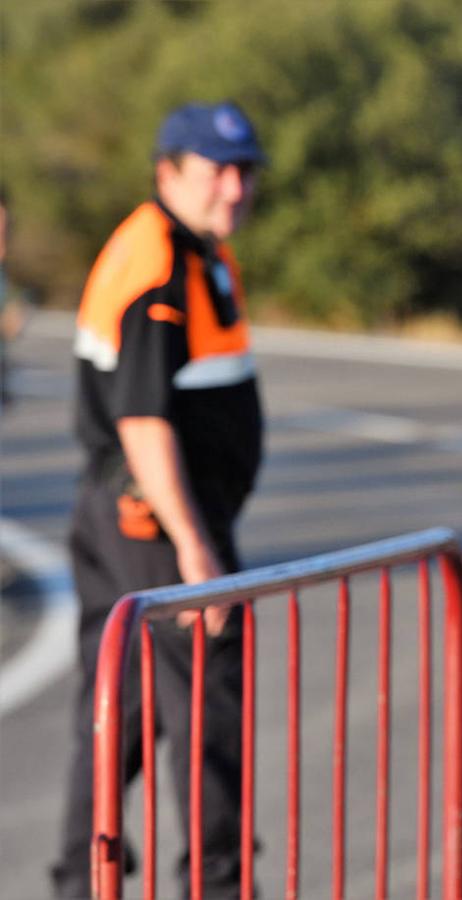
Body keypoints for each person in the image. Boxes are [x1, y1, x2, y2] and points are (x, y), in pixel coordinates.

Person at [51, 101, 267, 899]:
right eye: (217, 169)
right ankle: (218, 885)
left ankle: (84, 883)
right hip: (159, 519)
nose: (236, 187)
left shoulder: (188, 248)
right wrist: (197, 549)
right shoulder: (157, 265)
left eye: (246, 171)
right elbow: (141, 421)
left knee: (120, 714)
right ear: (168, 170)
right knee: (206, 717)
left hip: (127, 515)